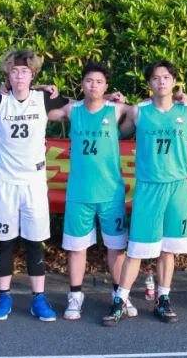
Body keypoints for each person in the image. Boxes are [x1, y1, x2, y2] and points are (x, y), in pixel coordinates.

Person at [103, 60, 187, 326]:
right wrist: (111, 106)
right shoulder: (139, 111)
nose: (161, 81)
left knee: (168, 250)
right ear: (149, 83)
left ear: (174, 81)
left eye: (166, 77)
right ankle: (120, 301)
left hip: (177, 187)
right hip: (148, 187)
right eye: (155, 78)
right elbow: (115, 134)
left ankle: (162, 299)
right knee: (136, 250)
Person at [0, 49, 70, 322]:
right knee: (5, 242)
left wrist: (109, 100)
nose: (20, 76)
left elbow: (77, 106)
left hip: (34, 182)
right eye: (15, 71)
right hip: (6, 183)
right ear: (8, 74)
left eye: (25, 71)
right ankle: (3, 296)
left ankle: (38, 299)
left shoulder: (43, 99)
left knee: (34, 242)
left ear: (33, 75)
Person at [57, 61, 134, 320]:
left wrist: (125, 99)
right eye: (89, 80)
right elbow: (44, 109)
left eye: (99, 82)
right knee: (77, 248)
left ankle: (120, 296)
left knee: (116, 248)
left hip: (111, 193)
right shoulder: (72, 110)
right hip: (79, 193)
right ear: (82, 84)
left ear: (106, 86)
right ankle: (75, 296)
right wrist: (46, 90)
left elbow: (144, 111)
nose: (94, 85)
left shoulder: (116, 109)